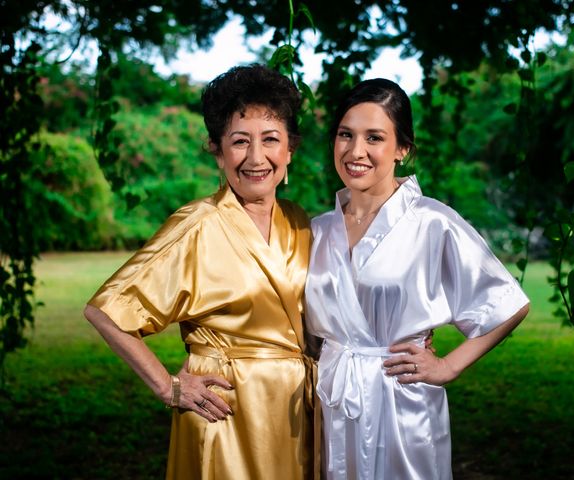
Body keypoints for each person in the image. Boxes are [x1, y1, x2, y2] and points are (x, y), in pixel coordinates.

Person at [84, 64, 318, 480]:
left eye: (270, 140)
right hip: (225, 413)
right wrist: (169, 386)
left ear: (290, 149)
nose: (256, 158)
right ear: (216, 148)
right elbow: (107, 310)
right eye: (239, 141)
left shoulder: (301, 222)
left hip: (295, 414)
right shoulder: (197, 224)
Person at [304, 78, 530, 479]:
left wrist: (448, 366)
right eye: (345, 135)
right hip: (332, 399)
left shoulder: (432, 221)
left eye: (374, 137)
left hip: (401, 400)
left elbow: (507, 302)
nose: (356, 151)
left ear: (403, 149)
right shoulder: (318, 230)